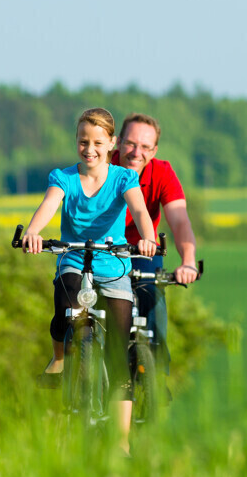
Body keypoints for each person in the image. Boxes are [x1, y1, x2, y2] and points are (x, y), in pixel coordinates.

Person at [20, 107, 158, 451]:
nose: (89, 149)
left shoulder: (123, 178)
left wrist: (147, 236)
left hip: (114, 267)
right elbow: (50, 204)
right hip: (74, 260)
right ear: (76, 143)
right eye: (83, 141)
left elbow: (139, 209)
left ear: (111, 144)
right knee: (64, 309)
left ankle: (122, 441)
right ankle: (61, 358)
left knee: (119, 353)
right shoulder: (63, 178)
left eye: (98, 142)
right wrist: (34, 232)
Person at [111, 113, 200, 374]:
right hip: (104, 249)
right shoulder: (101, 166)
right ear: (117, 143)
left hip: (143, 249)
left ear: (155, 151)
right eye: (130, 144)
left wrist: (188, 262)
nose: (136, 152)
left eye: (145, 147)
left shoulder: (161, 173)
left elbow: (180, 222)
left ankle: (155, 373)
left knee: (153, 301)